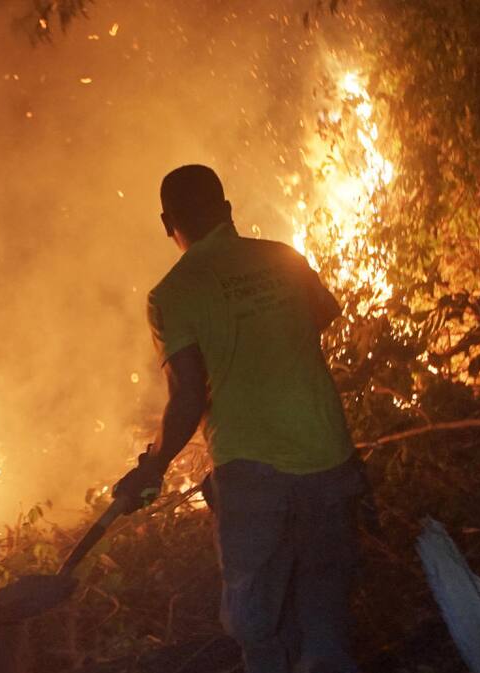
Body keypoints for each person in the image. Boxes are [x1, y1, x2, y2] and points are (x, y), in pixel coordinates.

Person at [113, 164, 368, 673]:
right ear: (227, 210)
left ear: (168, 224)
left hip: (253, 474)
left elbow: (186, 398)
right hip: (329, 456)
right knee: (324, 612)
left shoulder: (172, 294)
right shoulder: (283, 256)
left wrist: (153, 467)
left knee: (256, 623)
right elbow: (325, 312)